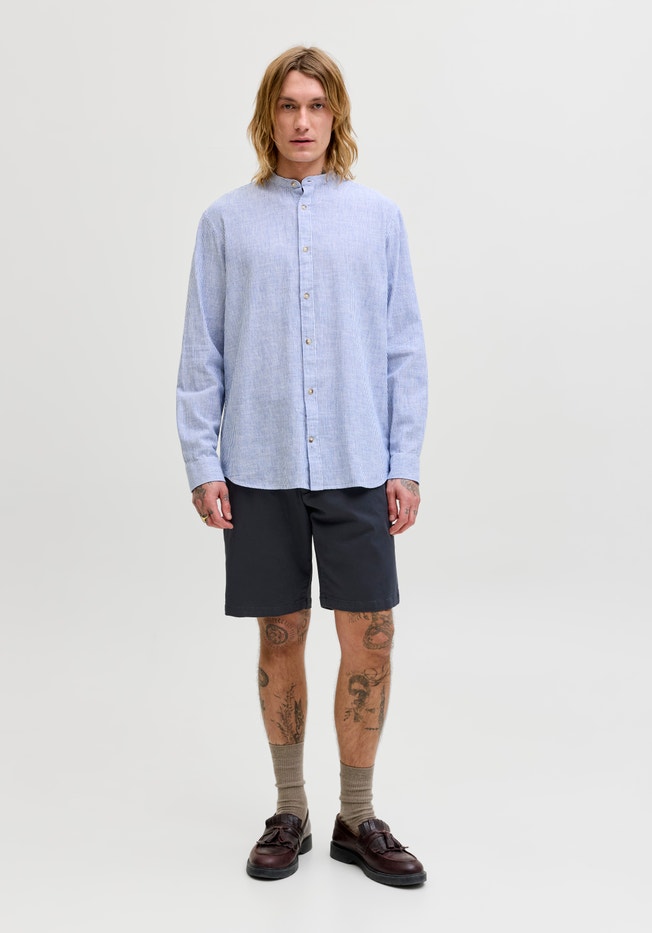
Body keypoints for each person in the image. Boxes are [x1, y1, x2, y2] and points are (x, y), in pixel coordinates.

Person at [176, 46, 428, 887]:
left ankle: (358, 816)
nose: (302, 121)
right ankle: (291, 809)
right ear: (268, 117)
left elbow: (403, 347)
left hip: (358, 461)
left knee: (372, 638)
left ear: (336, 115)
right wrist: (202, 461)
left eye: (316, 105)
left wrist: (405, 462)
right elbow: (202, 350)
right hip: (261, 461)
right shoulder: (226, 221)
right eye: (288, 105)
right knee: (279, 637)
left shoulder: (379, 217)